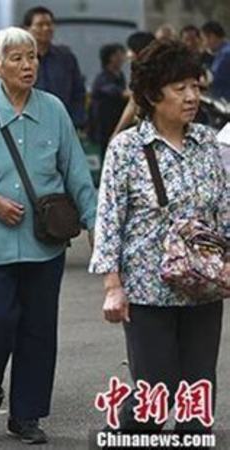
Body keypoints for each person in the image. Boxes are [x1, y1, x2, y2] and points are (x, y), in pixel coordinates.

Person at [0, 26, 98, 444]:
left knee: (38, 329)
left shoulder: (55, 111)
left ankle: (26, 415)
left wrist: (95, 225)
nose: (28, 65)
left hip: (44, 244)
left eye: (32, 57)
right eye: (16, 58)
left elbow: (77, 174)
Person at [89, 39, 228, 435]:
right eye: (180, 87)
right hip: (148, 288)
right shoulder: (127, 149)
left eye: (196, 87)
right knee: (155, 393)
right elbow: (110, 217)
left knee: (197, 395)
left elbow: (225, 208)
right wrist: (112, 285)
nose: (191, 96)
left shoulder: (207, 143)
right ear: (152, 93)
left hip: (204, 286)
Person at [23, 6, 86, 128]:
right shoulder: (21, 59)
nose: (46, 28)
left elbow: (78, 91)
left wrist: (75, 121)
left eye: (49, 24)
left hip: (62, 124)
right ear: (27, 29)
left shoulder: (66, 57)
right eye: (40, 25)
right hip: (29, 125)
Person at [110, 31, 156, 138]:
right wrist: (117, 132)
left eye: (131, 50)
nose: (128, 54)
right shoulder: (139, 73)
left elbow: (132, 105)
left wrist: (116, 133)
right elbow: (132, 103)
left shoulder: (149, 75)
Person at [88, 43, 128, 156]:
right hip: (104, 126)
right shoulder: (103, 78)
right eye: (119, 54)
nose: (122, 58)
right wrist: (124, 93)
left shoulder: (120, 76)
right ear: (111, 58)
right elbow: (110, 90)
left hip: (117, 122)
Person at [201, 21, 230, 101]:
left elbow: (213, 81)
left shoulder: (225, 55)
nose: (204, 44)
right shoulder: (223, 52)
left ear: (212, 37)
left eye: (204, 39)